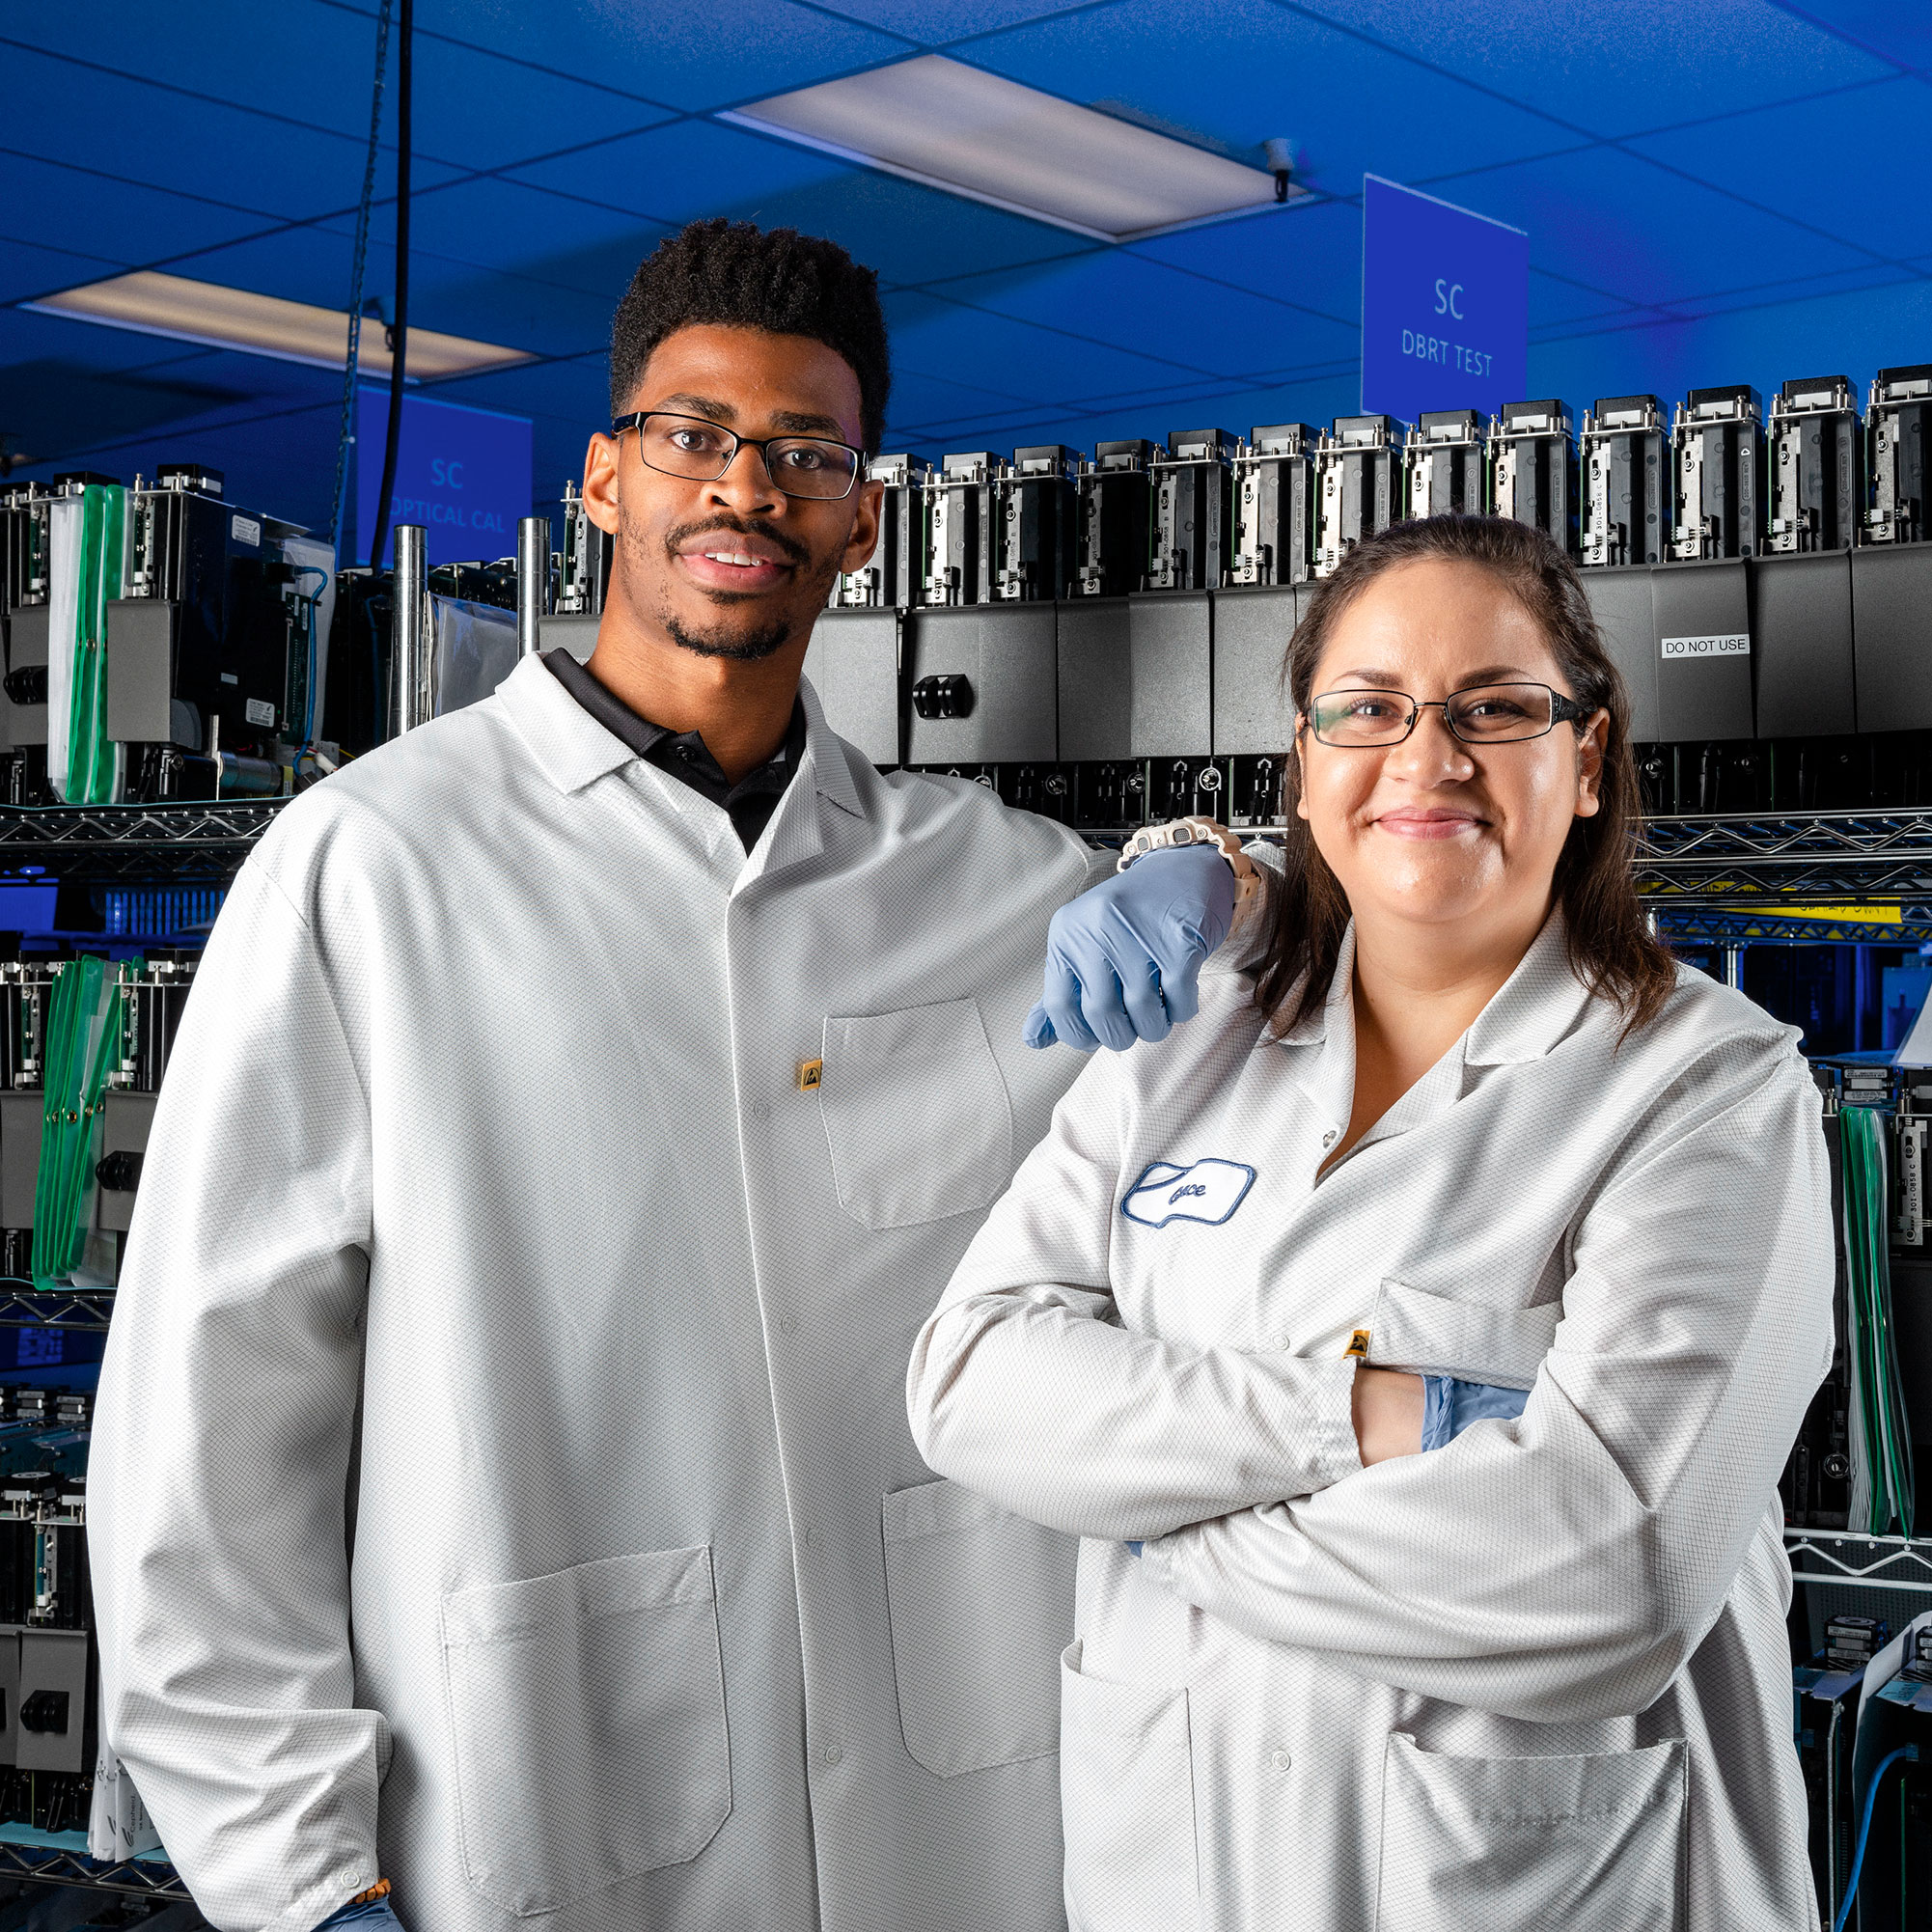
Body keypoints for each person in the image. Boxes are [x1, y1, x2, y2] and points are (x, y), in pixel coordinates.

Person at [86, 219, 1255, 1932]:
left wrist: (1213, 865)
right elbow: (210, 1413)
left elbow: (1340, 952)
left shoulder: (991, 878)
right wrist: (296, 1872)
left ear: (864, 512)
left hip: (968, 1802)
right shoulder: (373, 867)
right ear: (603, 482)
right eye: (694, 435)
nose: (748, 487)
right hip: (541, 1787)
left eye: (806, 451)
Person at [909, 513, 1835, 1932]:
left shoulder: (1706, 1086)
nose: (1426, 757)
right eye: (1369, 708)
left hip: (1523, 1878)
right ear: (1305, 760)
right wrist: (1368, 1418)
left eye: (1495, 707)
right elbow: (967, 1382)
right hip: (1174, 1868)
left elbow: (1609, 1577)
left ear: (1584, 760)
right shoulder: (1185, 1037)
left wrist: (1163, 1522)